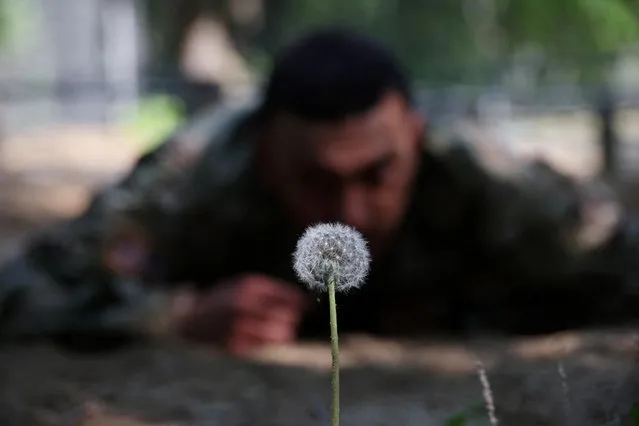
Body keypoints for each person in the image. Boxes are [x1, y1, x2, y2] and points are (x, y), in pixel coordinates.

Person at [0, 27, 635, 355]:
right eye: (316, 181)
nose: (351, 215)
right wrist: (173, 316)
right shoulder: (193, 180)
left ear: (417, 137)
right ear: (263, 152)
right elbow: (22, 289)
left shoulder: (490, 181)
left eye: (377, 174)